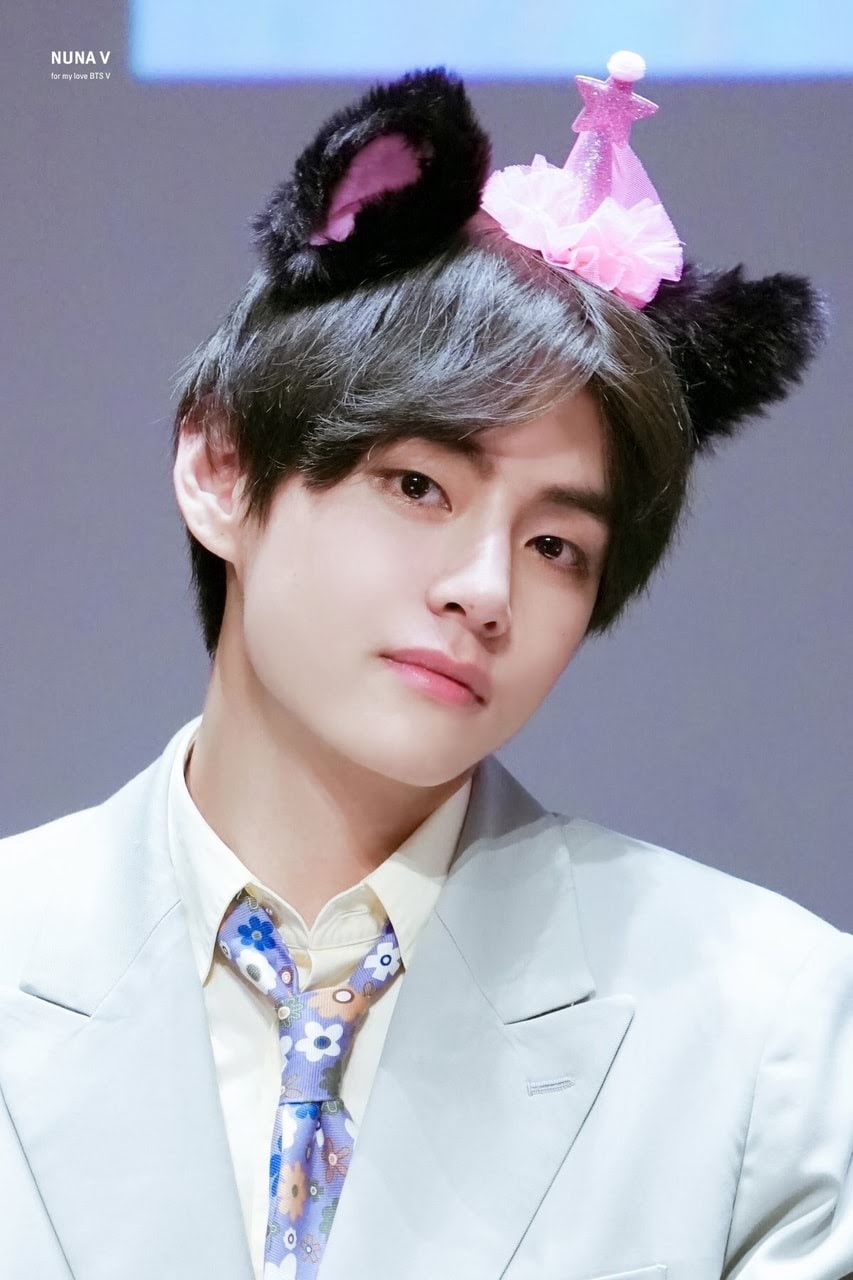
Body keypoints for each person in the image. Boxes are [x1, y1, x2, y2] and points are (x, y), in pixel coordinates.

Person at [1, 53, 850, 1280]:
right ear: (220, 465)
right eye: (417, 484)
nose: (486, 587)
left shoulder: (770, 1027)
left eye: (556, 545)